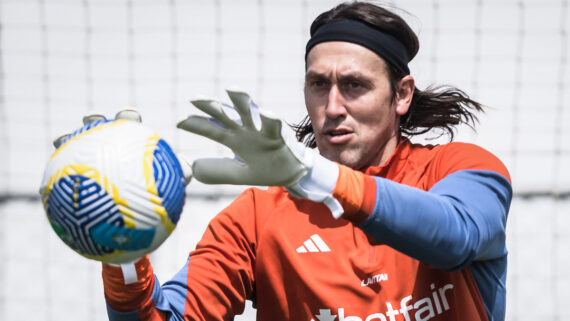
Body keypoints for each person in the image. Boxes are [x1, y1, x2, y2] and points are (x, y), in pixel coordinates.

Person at [101, 1, 512, 321]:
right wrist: (123, 251)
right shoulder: (257, 219)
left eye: (354, 85)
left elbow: (455, 236)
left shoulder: (462, 168)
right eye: (319, 84)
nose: (332, 107)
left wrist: (313, 174)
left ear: (401, 94)